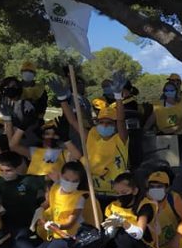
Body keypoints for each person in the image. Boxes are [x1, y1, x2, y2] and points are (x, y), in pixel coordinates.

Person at [54, 73, 129, 208]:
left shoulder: (120, 139)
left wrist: (118, 97)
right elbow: (72, 120)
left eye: (109, 122)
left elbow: (121, 120)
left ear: (115, 125)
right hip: (93, 192)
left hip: (116, 194)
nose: (105, 125)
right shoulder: (91, 136)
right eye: (101, 122)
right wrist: (62, 99)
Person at [7, 161, 88, 248]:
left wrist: (57, 225)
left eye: (74, 181)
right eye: (67, 179)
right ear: (61, 175)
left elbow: (71, 223)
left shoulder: (79, 197)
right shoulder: (55, 187)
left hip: (73, 237)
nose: (70, 183)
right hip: (57, 235)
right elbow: (48, 202)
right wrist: (40, 209)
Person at [99, 173, 163, 248]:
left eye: (124, 192)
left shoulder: (144, 206)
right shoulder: (113, 206)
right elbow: (109, 233)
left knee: (122, 233)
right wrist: (109, 229)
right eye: (117, 193)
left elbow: (139, 234)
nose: (120, 196)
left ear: (134, 191)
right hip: (123, 247)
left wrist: (123, 223)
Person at [0, 152, 45, 248]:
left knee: (20, 240)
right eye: (1, 170)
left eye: (9, 170)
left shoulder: (29, 180)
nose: (4, 173)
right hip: (7, 224)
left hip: (28, 223)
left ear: (17, 168)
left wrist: (43, 205)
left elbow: (50, 184)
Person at [143, 170, 182, 248]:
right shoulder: (143, 201)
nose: (155, 190)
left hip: (174, 240)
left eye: (159, 186)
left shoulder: (172, 198)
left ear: (167, 188)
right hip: (151, 246)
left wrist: (177, 237)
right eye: (152, 187)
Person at [10, 120, 81, 178]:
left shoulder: (66, 148)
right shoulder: (38, 152)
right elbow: (13, 146)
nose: (51, 136)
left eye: (55, 134)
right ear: (42, 136)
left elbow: (77, 157)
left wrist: (66, 140)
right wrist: (22, 127)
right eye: (47, 134)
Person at [145, 81, 182, 156]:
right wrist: (144, 130)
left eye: (171, 90)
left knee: (177, 161)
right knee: (165, 161)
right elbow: (151, 119)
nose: (169, 92)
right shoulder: (158, 104)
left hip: (179, 136)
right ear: (164, 92)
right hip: (162, 136)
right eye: (167, 90)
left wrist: (171, 130)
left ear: (176, 91)